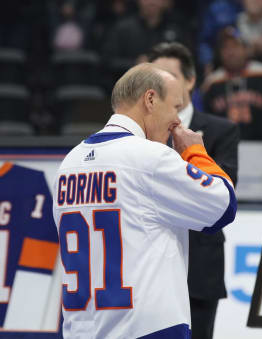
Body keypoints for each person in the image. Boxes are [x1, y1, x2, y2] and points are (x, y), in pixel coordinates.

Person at [52, 63, 237, 339]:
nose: (178, 121)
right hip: (147, 329)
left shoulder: (69, 164)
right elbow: (222, 205)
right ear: (150, 99)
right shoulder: (150, 158)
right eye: (176, 107)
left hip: (81, 329)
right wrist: (196, 152)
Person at [148, 42, 239, 339]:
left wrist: (191, 151)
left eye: (169, 75)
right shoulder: (142, 134)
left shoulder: (221, 130)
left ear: (190, 80)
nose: (162, 83)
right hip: (150, 268)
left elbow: (224, 192)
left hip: (200, 270)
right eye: (156, 76)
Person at [201, 26, 262, 140]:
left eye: (235, 46)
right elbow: (205, 122)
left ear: (246, 49)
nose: (230, 52)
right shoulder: (212, 83)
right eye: (225, 48)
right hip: (223, 148)